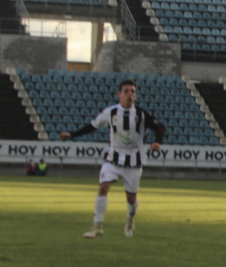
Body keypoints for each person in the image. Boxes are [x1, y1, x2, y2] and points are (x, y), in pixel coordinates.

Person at [59, 79, 166, 239]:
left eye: (133, 91)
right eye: (126, 91)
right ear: (119, 94)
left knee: (131, 199)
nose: (130, 94)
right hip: (113, 159)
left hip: (134, 163)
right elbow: (92, 126)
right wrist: (72, 135)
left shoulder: (142, 114)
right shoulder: (111, 112)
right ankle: (97, 226)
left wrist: (157, 141)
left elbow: (160, 127)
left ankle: (130, 219)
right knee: (103, 187)